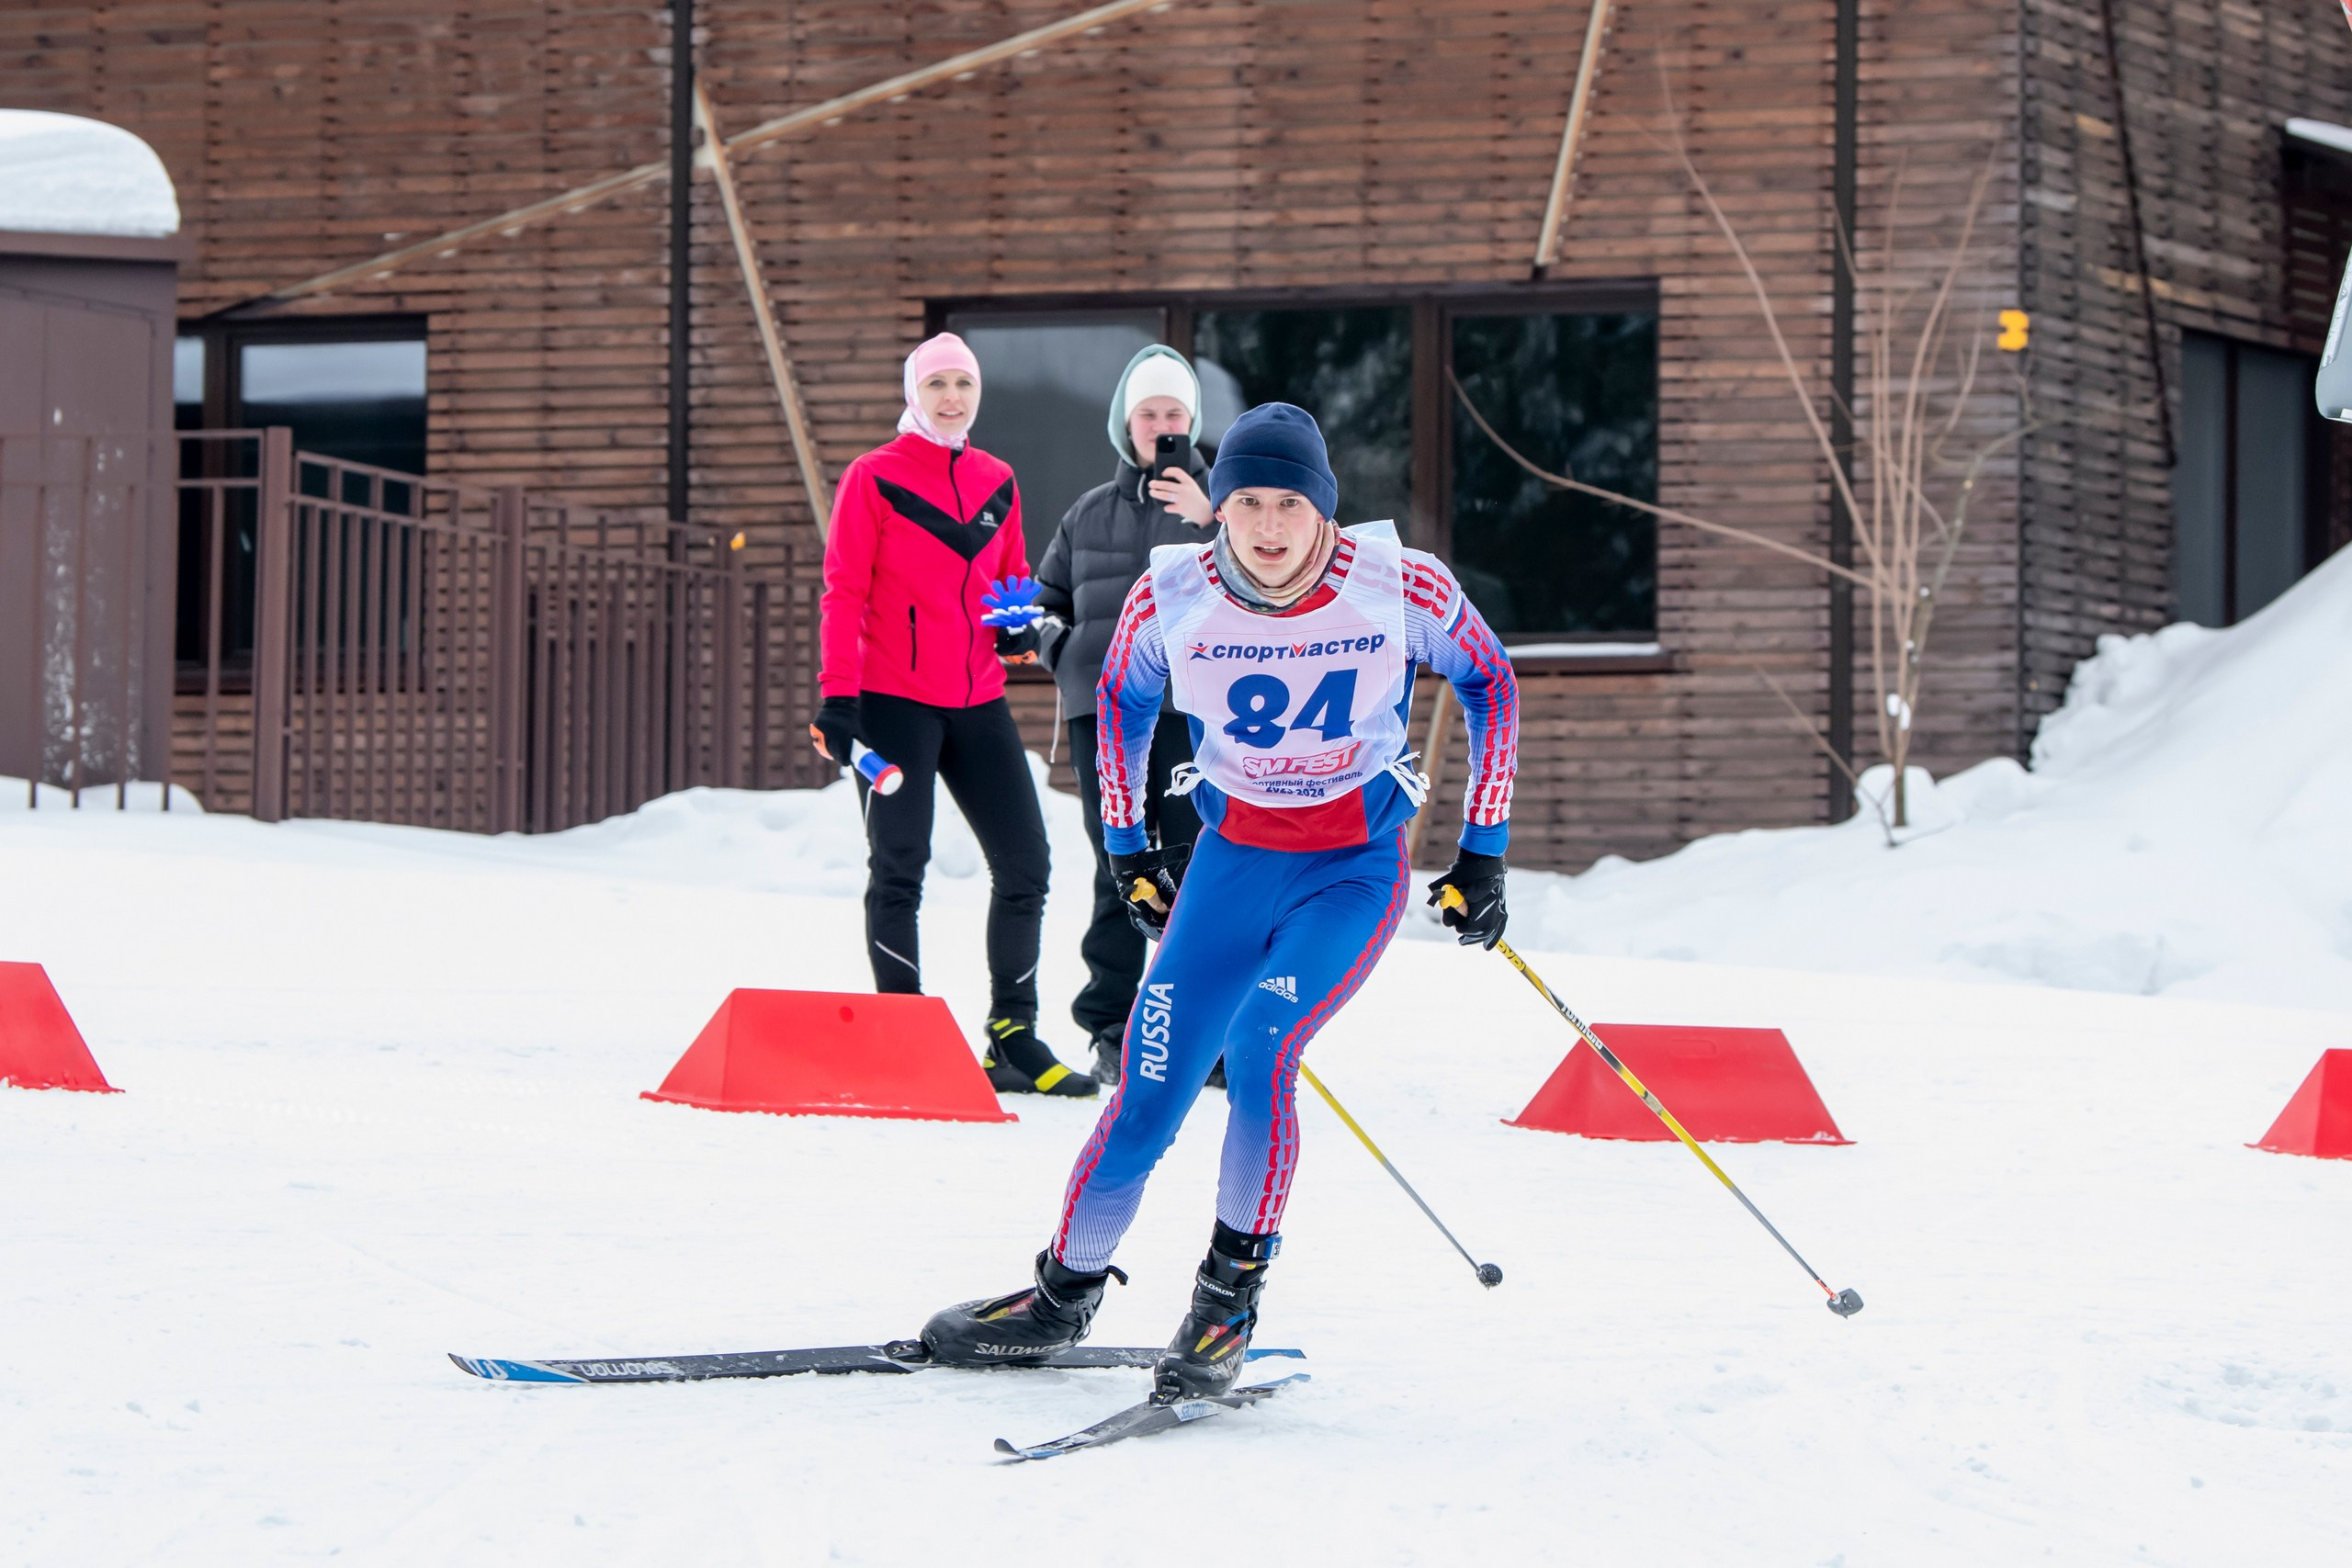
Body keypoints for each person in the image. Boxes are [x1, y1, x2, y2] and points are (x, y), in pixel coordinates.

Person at [918, 402, 1520, 1398]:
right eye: (1247, 502)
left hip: (1349, 870)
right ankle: (1060, 1295)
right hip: (1230, 864)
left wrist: (1481, 854)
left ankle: (1225, 1301)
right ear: (1221, 508)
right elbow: (1118, 700)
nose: (1270, 526)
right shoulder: (1175, 598)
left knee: (1260, 1049)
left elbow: (1489, 680)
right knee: (1149, 1082)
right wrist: (1129, 847)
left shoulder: (1399, 584)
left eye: (1290, 503)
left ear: (1321, 507)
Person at [809, 332, 1095, 1098]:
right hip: (890, 701)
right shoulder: (873, 477)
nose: (951, 397)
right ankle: (903, 1035)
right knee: (900, 867)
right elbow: (844, 593)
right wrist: (838, 698)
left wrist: (1013, 628)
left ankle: (1014, 1036)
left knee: (1027, 865)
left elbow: (1009, 581)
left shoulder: (998, 478)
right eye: (937, 383)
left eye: (963, 384)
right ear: (913, 392)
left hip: (976, 700)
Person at [1034, 344, 1215, 1086]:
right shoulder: (1088, 513)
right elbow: (1044, 603)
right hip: (1103, 714)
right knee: (1120, 867)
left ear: (1193, 421)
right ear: (1126, 423)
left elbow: (1268, 582)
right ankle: (1111, 1025)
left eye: (1175, 414)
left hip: (1189, 711)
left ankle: (1203, 1031)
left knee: (1195, 867)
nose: (1162, 426)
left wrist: (1214, 520)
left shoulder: (1227, 508)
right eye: (1149, 414)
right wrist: (1061, 649)